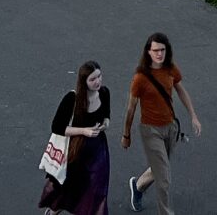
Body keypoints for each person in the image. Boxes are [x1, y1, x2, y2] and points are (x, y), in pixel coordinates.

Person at [122, 32, 199, 213]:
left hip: (171, 127)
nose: (159, 54)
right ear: (148, 52)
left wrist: (193, 116)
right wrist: (126, 135)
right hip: (151, 130)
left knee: (160, 168)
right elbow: (131, 108)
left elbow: (180, 90)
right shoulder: (140, 78)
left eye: (162, 50)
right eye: (155, 50)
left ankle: (138, 186)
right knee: (163, 177)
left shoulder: (170, 68)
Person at [39, 60, 111, 214]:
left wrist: (105, 124)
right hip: (77, 150)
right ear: (83, 81)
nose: (97, 81)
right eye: (92, 79)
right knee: (71, 186)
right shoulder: (72, 99)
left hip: (98, 149)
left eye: (99, 76)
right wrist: (84, 131)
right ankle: (55, 209)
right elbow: (57, 127)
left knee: (98, 188)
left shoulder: (104, 93)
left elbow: (106, 117)